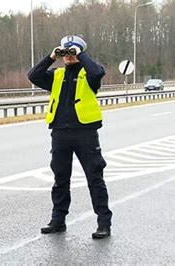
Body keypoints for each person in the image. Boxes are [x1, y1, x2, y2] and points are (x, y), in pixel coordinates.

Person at [27, 35, 112, 239]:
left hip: (85, 133)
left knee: (95, 178)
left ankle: (104, 224)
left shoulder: (89, 74)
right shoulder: (56, 75)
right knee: (60, 179)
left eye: (71, 52)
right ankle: (58, 220)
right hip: (60, 133)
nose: (68, 56)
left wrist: (81, 55)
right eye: (66, 53)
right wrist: (51, 57)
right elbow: (33, 75)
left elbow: (98, 72)